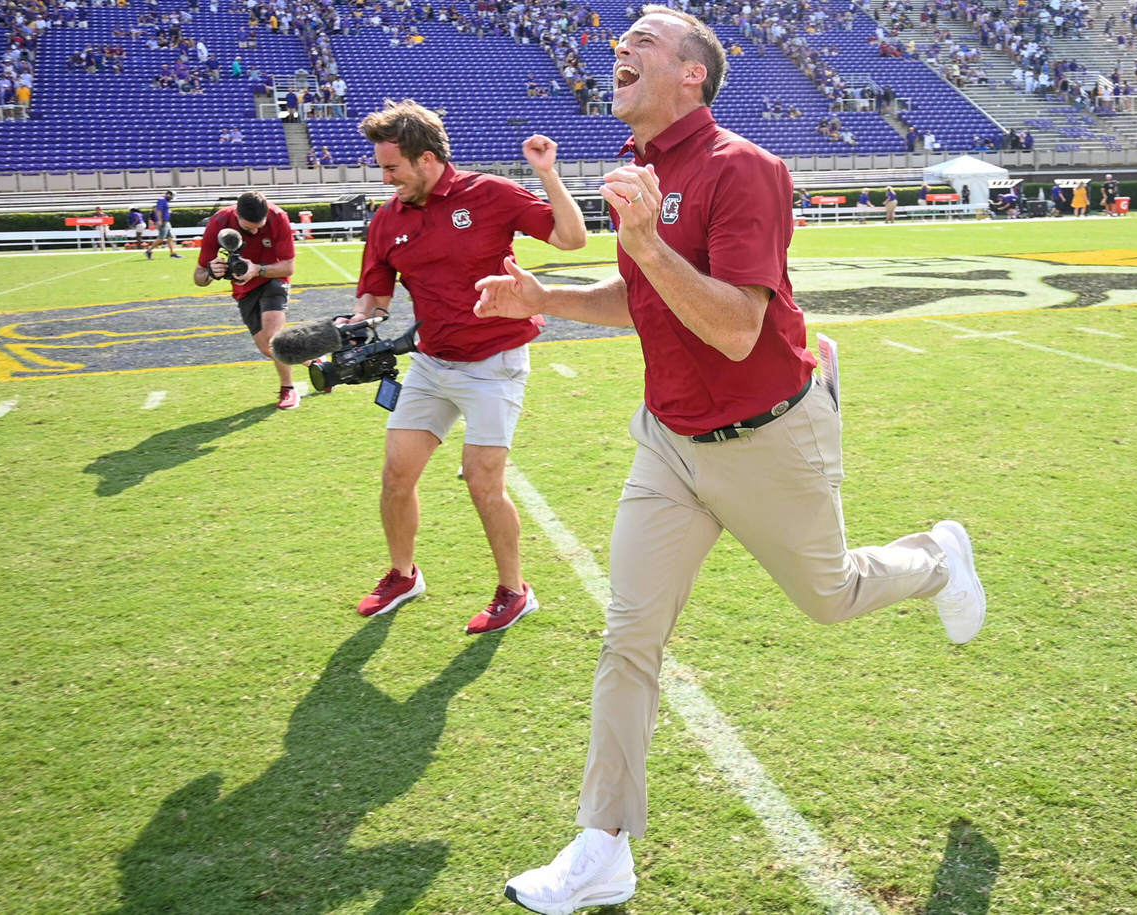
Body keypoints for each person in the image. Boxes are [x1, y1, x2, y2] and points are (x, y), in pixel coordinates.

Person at [479, 9, 987, 912]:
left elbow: (735, 324)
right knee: (629, 632)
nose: (619, 48)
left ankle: (937, 557)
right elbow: (645, 302)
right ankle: (604, 845)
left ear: (693, 76)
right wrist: (543, 294)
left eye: (643, 39)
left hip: (766, 436)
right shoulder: (646, 171)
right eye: (619, 40)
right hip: (668, 441)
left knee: (828, 598)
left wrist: (641, 244)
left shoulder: (742, 167)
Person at [348, 100, 587, 634]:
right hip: (431, 365)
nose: (384, 177)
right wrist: (357, 319)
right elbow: (375, 293)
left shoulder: (491, 193)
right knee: (396, 475)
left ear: (427, 159)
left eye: (392, 167)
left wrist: (548, 174)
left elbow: (572, 239)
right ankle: (404, 575)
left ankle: (514, 591)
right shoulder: (388, 217)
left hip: (494, 363)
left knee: (483, 482)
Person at [194, 191, 301, 410]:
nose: (254, 231)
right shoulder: (220, 222)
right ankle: (314, 360)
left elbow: (289, 266)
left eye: (259, 227)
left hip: (273, 277)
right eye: (248, 227)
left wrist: (258, 269)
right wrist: (212, 273)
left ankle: (288, 389)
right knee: (267, 348)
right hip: (244, 288)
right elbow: (198, 277)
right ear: (236, 214)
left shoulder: (278, 217)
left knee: (274, 337)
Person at [145, 190, 181, 259]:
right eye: (171, 196)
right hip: (163, 221)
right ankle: (149, 251)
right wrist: (159, 220)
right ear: (168, 194)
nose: (172, 198)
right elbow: (159, 210)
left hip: (166, 221)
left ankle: (172, 253)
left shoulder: (165, 200)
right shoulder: (162, 199)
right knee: (161, 238)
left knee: (170, 237)